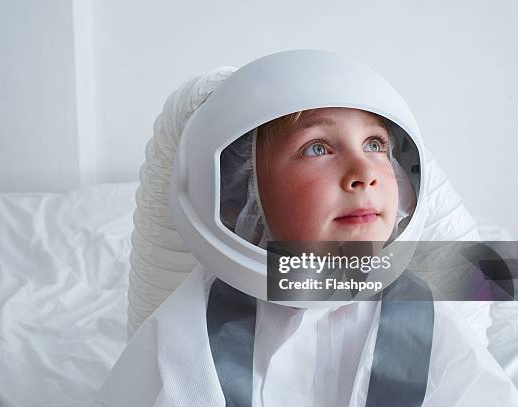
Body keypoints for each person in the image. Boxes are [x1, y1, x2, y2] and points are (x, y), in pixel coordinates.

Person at [94, 50, 518, 406]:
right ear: (243, 192)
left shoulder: (423, 312)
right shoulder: (197, 321)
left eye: (376, 145)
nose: (364, 173)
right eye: (318, 148)